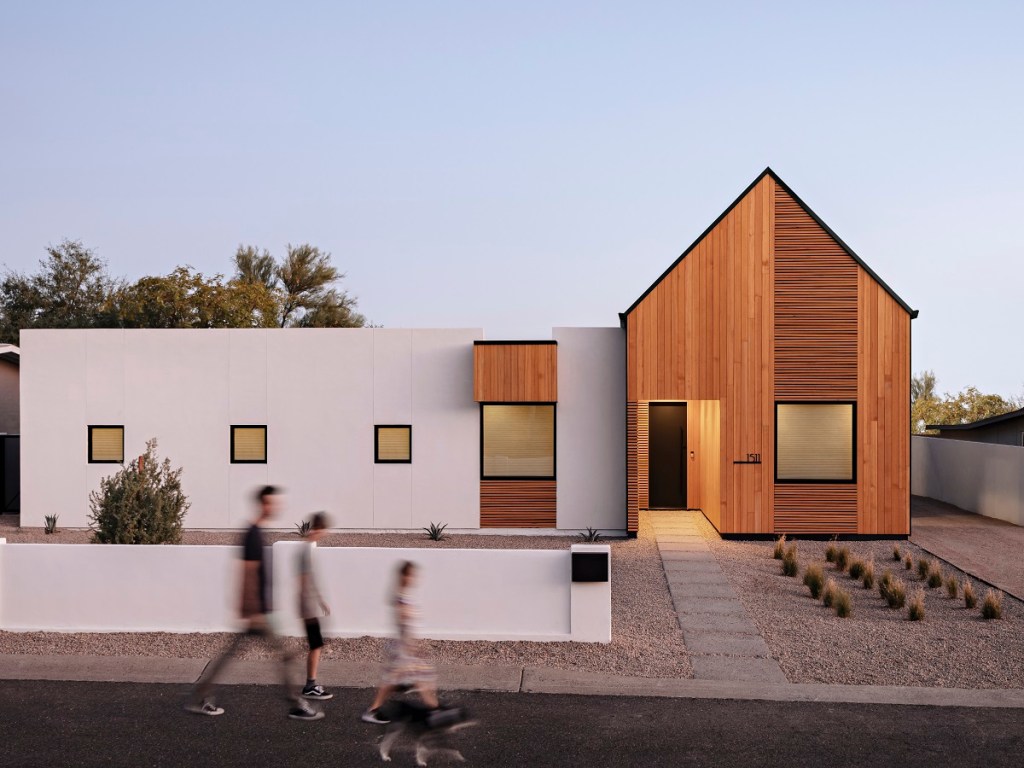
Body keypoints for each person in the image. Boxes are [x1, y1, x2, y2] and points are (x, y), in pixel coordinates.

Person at [185, 485, 323, 721]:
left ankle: (201, 695)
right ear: (262, 504)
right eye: (271, 503)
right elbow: (247, 573)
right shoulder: (252, 535)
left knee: (232, 655)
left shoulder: (257, 533)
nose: (274, 507)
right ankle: (296, 702)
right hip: (257, 613)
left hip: (259, 611)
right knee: (284, 656)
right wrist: (251, 609)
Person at [361, 560, 439, 724]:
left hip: (403, 645)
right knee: (402, 679)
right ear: (404, 576)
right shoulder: (400, 597)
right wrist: (411, 645)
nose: (413, 579)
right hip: (402, 646)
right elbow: (402, 621)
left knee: (417, 677)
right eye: (410, 575)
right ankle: (434, 711)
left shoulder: (402, 595)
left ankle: (433, 709)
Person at [298, 511, 332, 700]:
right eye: (324, 530)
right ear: (319, 528)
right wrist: (308, 604)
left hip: (309, 604)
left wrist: (320, 600)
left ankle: (311, 684)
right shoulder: (306, 548)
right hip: (307, 605)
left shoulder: (309, 546)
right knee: (316, 644)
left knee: (315, 644)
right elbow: (303, 579)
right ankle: (310, 685)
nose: (325, 534)